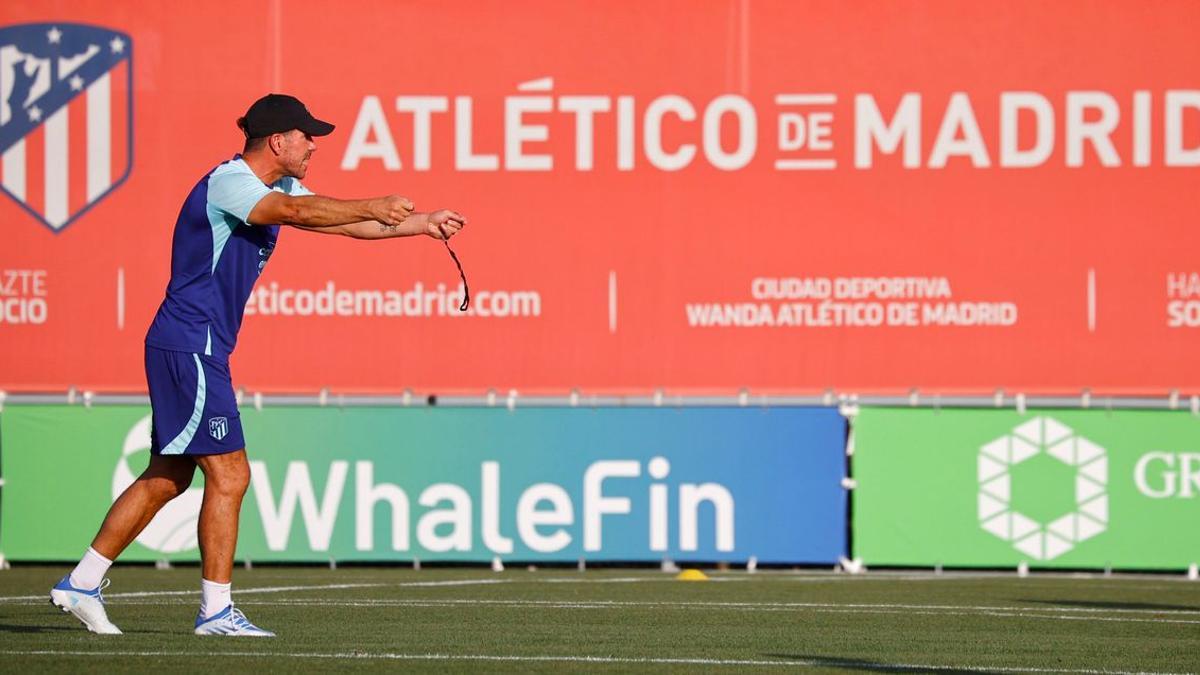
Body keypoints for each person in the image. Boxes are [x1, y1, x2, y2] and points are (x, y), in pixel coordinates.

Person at [49, 93, 466, 637]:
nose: (314, 144)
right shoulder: (231, 183)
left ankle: (82, 582)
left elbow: (335, 223)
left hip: (194, 345)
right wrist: (371, 203)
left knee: (169, 476)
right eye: (306, 135)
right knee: (231, 473)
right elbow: (298, 213)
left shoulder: (281, 186)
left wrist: (421, 223)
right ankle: (215, 613)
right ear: (278, 141)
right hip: (190, 343)